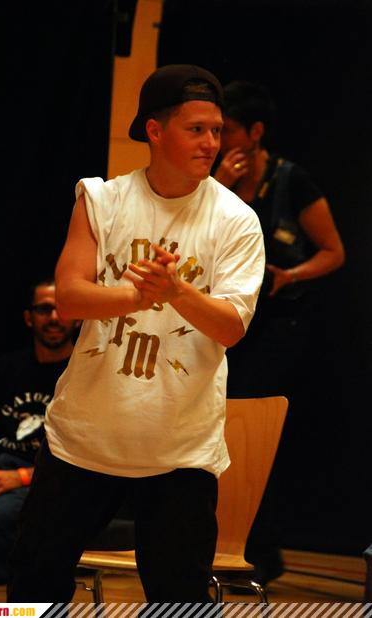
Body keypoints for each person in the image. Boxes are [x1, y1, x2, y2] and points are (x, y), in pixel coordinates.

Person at [7, 64, 265, 606]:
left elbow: (232, 327)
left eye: (217, 130)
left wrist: (175, 291)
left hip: (180, 447)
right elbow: (69, 298)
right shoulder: (101, 200)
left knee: (179, 599)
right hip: (84, 438)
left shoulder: (236, 220)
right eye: (196, 129)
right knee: (33, 586)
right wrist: (136, 297)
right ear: (155, 130)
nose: (211, 143)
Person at [213, 80, 345, 585]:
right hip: (230, 321)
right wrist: (219, 186)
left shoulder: (292, 180)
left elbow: (333, 252)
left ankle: (256, 552)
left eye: (226, 130)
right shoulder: (216, 179)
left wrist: (289, 275)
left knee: (249, 428)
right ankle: (235, 548)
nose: (217, 140)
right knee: (220, 427)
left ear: (256, 132)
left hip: (279, 324)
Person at [0, 278, 78, 584]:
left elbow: (86, 457)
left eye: (61, 309)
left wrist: (21, 477)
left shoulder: (83, 374)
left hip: (48, 484)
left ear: (77, 318)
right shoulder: (6, 369)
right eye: (44, 309)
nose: (54, 317)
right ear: (29, 318)